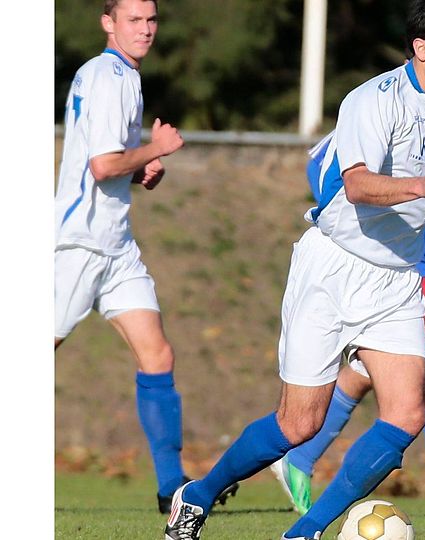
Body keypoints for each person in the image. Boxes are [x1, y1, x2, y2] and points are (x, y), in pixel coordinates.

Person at [164, 1, 425, 538]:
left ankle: (305, 531)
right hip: (334, 268)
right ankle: (197, 495)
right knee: (298, 424)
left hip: (397, 279)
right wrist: (423, 184)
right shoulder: (372, 100)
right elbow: (357, 185)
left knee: (406, 416)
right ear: (422, 48)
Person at [270, 137, 425, 518]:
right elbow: (320, 163)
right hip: (400, 266)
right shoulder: (380, 110)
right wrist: (347, 217)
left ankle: (300, 458)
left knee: (365, 372)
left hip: (422, 266)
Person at [54, 0, 238, 515]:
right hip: (79, 244)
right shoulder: (109, 76)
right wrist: (155, 149)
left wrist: (139, 170)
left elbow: (107, 163)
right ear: (107, 23)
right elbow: (101, 164)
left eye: (151, 19)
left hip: (115, 245)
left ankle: (170, 486)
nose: (146, 29)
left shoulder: (119, 75)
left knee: (157, 355)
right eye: (133, 20)